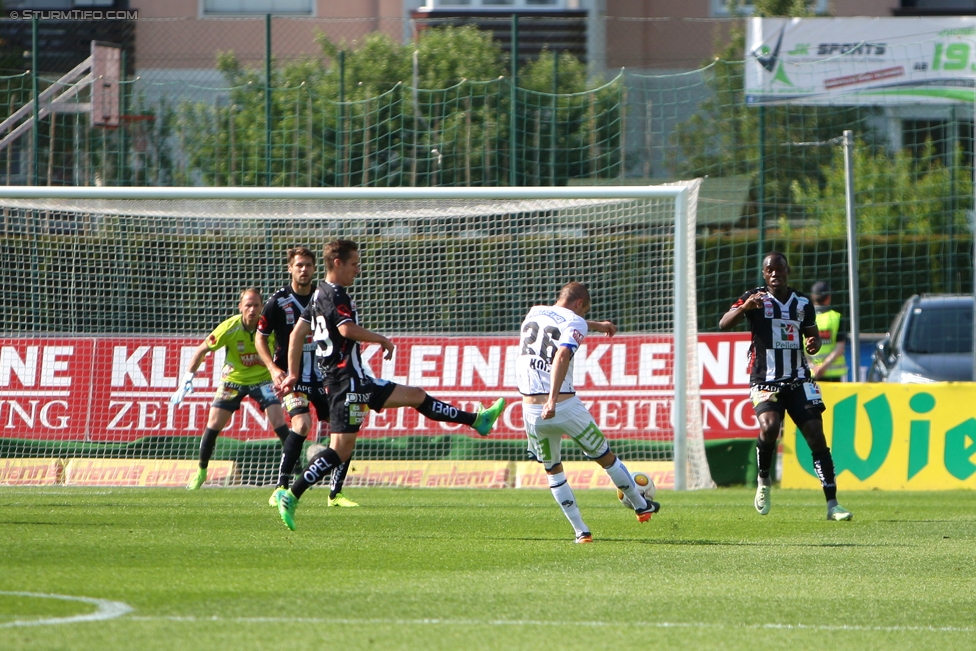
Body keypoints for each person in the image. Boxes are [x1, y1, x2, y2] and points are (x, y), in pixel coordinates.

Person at [274, 239, 506, 530]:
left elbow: (297, 335)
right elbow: (346, 329)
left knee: (416, 396)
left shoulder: (318, 292)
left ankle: (477, 420)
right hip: (348, 382)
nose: (358, 270)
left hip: (348, 380)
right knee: (340, 451)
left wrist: (293, 372)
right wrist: (380, 338)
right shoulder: (336, 295)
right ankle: (292, 494)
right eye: (354, 264)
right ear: (338, 263)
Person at [516, 282, 660, 544]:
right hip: (564, 406)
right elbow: (562, 354)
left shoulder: (534, 311)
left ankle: (581, 532)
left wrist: (597, 325)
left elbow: (566, 322)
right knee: (605, 458)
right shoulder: (576, 321)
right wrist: (551, 400)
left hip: (530, 411)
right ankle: (641, 505)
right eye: (584, 313)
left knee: (553, 471)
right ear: (580, 303)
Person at [718, 252, 853, 521]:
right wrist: (745, 308)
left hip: (799, 377)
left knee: (816, 434)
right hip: (765, 379)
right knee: (769, 427)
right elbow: (724, 324)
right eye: (770, 270)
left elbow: (811, 334)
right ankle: (764, 481)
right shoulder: (754, 298)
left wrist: (813, 342)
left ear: (787, 271)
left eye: (779, 268)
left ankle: (833, 504)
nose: (775, 273)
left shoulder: (802, 302)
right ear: (764, 274)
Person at [257, 246, 358, 509]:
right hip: (293, 378)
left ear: (315, 269)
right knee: (301, 424)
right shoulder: (278, 301)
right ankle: (280, 487)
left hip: (324, 376)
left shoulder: (324, 296)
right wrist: (272, 369)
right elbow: (260, 338)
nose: (304, 270)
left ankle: (335, 494)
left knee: (345, 428)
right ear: (290, 268)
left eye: (308, 265)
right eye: (299, 265)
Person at [171, 288, 291, 490]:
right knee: (213, 424)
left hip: (262, 380)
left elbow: (287, 348)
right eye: (248, 305)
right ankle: (201, 471)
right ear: (240, 307)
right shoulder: (230, 327)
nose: (252, 310)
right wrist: (187, 379)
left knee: (278, 421)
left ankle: (293, 472)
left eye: (256, 305)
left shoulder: (269, 327)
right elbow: (202, 350)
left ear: (262, 307)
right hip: (233, 380)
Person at [806, 281, 848, 382]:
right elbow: (840, 347)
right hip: (833, 374)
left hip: (810, 373)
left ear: (812, 297)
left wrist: (812, 367)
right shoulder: (836, 318)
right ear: (829, 297)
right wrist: (823, 367)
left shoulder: (804, 318)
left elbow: (799, 349)